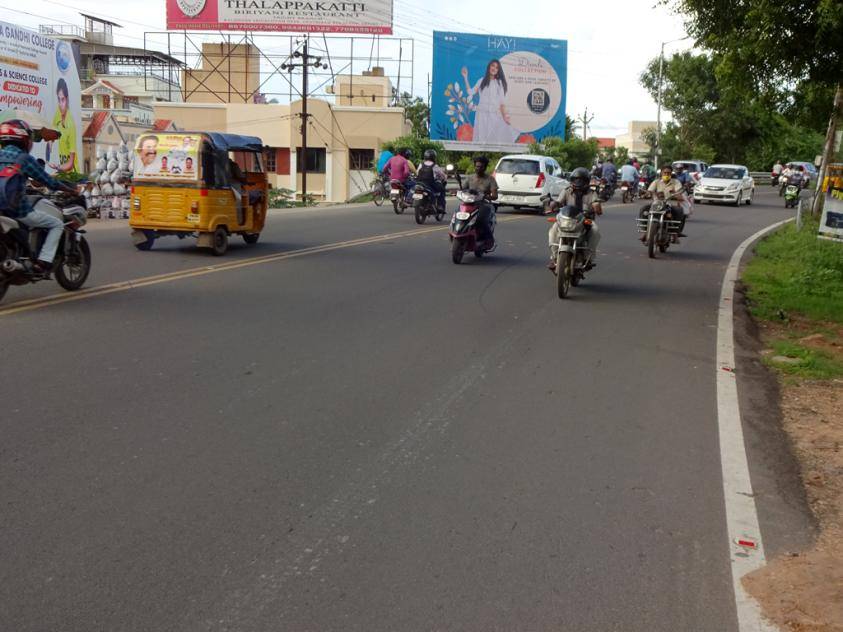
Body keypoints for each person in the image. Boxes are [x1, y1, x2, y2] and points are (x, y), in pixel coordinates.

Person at [0, 119, 76, 273]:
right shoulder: (24, 159)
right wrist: (70, 189)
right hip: (17, 211)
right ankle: (44, 262)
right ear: (24, 139)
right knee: (57, 224)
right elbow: (48, 181)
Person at [546, 166, 602, 271]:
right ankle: (554, 258)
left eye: (581, 180)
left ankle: (588, 258)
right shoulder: (566, 191)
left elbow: (596, 204)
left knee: (595, 231)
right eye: (576, 179)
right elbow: (559, 201)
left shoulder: (592, 193)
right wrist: (553, 204)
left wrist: (596, 206)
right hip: (566, 219)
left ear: (586, 181)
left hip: (584, 220)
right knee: (553, 231)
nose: (578, 182)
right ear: (572, 180)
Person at [461, 60, 519, 144]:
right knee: (482, 138)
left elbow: (502, 103)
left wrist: (505, 117)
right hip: (481, 114)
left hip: (493, 114)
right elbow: (470, 92)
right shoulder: (481, 81)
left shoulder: (499, 83)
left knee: (494, 138)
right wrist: (465, 77)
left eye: (497, 68)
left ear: (498, 70)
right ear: (489, 67)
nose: (494, 69)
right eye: (493, 66)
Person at [643, 164, 687, 237]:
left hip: (669, 204)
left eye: (668, 173)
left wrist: (674, 193)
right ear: (661, 173)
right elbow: (649, 191)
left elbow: (680, 196)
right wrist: (647, 194)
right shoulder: (656, 182)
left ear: (671, 173)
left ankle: (676, 232)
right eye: (665, 173)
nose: (666, 174)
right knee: (643, 209)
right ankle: (645, 231)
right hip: (657, 204)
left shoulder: (676, 182)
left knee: (680, 211)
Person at [465, 155, 498, 243]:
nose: (478, 168)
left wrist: (485, 196)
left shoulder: (490, 179)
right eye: (477, 166)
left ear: (485, 167)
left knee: (480, 220)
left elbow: (495, 196)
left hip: (484, 204)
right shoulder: (470, 178)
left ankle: (489, 238)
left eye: (481, 167)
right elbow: (463, 189)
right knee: (458, 215)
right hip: (470, 203)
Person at [49, 78, 78, 173]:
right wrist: (48, 154)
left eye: (63, 100)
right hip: (62, 171)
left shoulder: (71, 125)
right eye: (58, 99)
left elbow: (70, 164)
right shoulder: (58, 112)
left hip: (72, 174)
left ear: (67, 99)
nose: (61, 104)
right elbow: (51, 135)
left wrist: (57, 167)